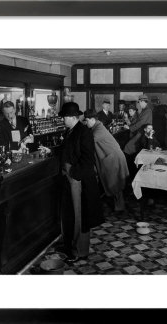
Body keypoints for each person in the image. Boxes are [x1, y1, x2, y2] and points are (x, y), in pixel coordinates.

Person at [58, 102, 103, 263]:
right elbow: (66, 150)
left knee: (79, 217)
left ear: (71, 117)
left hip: (78, 179)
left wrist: (73, 173)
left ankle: (79, 252)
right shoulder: (71, 130)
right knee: (70, 215)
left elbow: (87, 158)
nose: (62, 119)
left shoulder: (83, 132)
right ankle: (70, 247)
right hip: (70, 178)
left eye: (64, 117)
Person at [83, 110, 130, 215]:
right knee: (114, 183)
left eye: (86, 121)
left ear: (92, 119)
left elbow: (88, 142)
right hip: (111, 157)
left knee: (115, 184)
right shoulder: (96, 126)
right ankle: (118, 206)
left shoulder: (99, 129)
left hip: (114, 158)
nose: (86, 123)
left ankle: (120, 208)